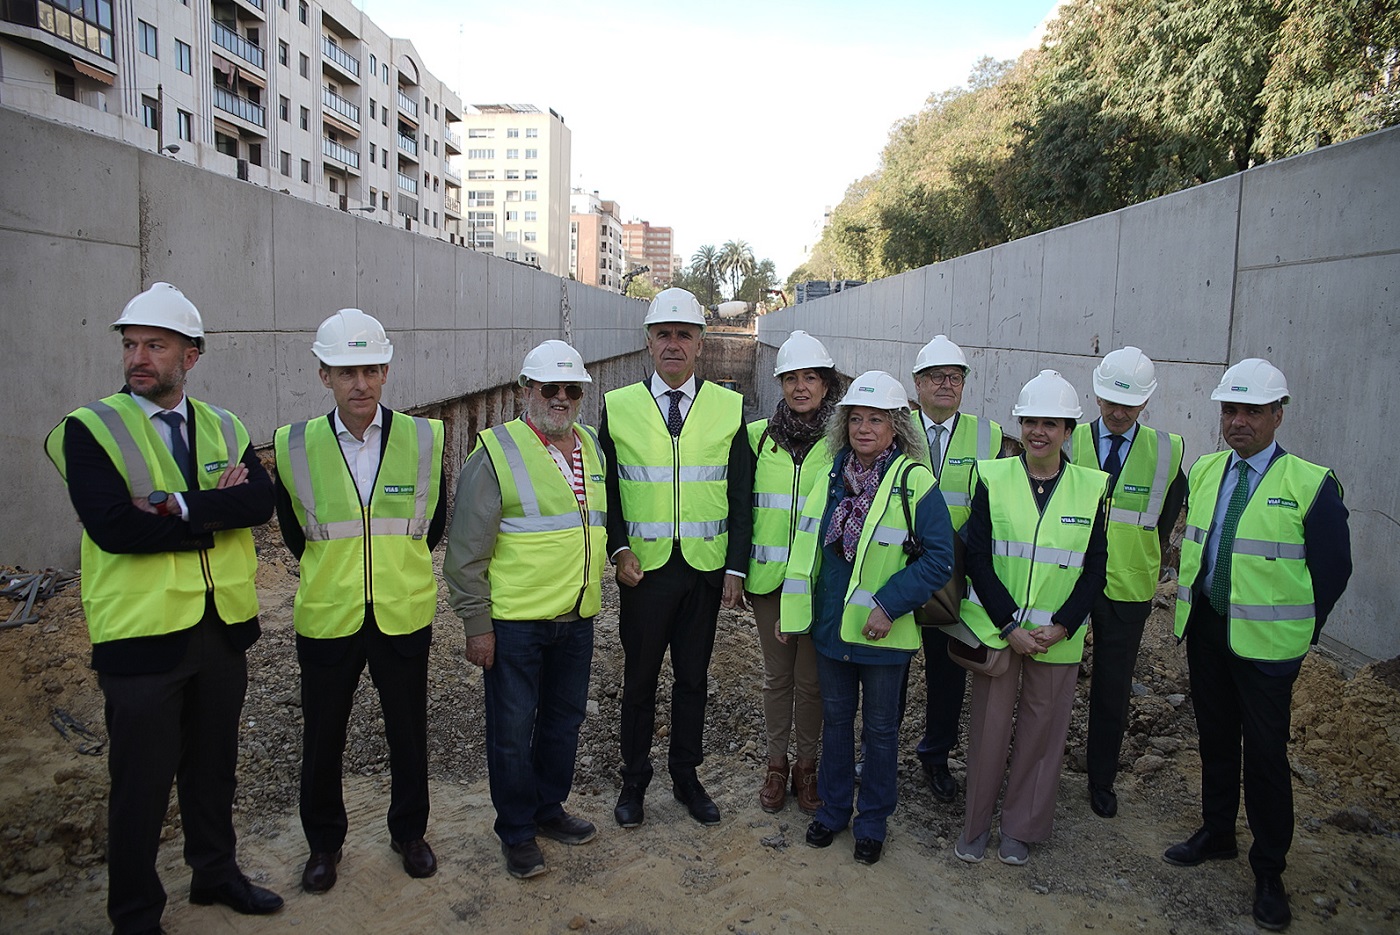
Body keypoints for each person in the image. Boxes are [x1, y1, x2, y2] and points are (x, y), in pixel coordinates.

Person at [44, 283, 283, 934]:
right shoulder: (92, 430)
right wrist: (212, 508)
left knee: (213, 771)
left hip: (220, 630)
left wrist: (176, 505)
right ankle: (135, 914)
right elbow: (113, 527)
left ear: (191, 356)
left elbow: (258, 507)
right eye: (130, 345)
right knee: (141, 786)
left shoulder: (226, 425)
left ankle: (215, 873)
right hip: (140, 638)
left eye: (155, 344)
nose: (138, 358)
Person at [1164, 358, 1351, 932]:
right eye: (1230, 410)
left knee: (1266, 754)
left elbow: (1333, 570)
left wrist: (1300, 634)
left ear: (1278, 414)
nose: (1238, 421)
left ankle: (1269, 869)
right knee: (1216, 738)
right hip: (1209, 628)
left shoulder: (1311, 483)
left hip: (1270, 648)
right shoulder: (1206, 470)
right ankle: (1218, 832)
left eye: (1251, 411)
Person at [273, 309, 446, 893]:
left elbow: (433, 523)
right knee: (323, 738)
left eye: (371, 369)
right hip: (329, 615)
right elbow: (296, 532)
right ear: (324, 376)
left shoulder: (425, 439)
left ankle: (410, 832)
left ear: (387, 370)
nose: (360, 384)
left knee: (407, 731)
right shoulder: (295, 445)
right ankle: (324, 845)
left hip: (401, 611)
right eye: (346, 372)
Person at [444, 340, 605, 879]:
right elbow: (466, 552)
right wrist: (477, 626)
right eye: (549, 389)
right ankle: (516, 831)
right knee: (513, 729)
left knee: (564, 723)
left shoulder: (590, 448)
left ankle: (547, 809)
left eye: (571, 390)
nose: (561, 398)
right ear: (525, 391)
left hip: (575, 617)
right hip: (515, 624)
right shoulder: (494, 453)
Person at [781, 370, 954, 866]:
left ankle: (872, 821)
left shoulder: (913, 480)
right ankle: (834, 811)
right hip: (834, 629)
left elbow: (939, 558)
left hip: (884, 633)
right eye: (856, 418)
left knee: (880, 731)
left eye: (875, 420)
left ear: (896, 427)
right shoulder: (833, 474)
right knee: (836, 723)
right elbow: (809, 549)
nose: (863, 428)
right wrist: (795, 615)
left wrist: (888, 605)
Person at [600, 287, 753, 829]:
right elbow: (608, 492)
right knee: (639, 681)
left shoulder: (728, 407)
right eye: (663, 334)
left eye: (683, 335)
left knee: (693, 679)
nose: (672, 344)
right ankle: (634, 781)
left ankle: (687, 776)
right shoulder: (617, 407)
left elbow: (741, 493)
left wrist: (736, 567)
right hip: (643, 572)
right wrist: (617, 548)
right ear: (648, 342)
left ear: (700, 345)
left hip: (705, 572)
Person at [955, 370, 1109, 867]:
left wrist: (1064, 624)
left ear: (1068, 431)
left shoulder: (1091, 489)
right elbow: (977, 557)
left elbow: (1094, 569)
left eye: (1051, 423)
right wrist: (1007, 625)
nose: (1039, 432)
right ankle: (976, 825)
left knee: (1043, 736)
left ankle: (1021, 827)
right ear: (1019, 426)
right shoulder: (993, 477)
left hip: (1055, 638)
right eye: (1030, 422)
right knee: (988, 732)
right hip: (1002, 634)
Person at [1071, 347, 1185, 819]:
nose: (1117, 414)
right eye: (1109, 402)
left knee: (1113, 687)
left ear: (1146, 402)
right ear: (1095, 394)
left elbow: (1164, 518)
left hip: (1127, 584)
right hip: (1069, 579)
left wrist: (1142, 559)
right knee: (1052, 679)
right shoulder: (1068, 438)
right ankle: (1040, 769)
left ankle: (1102, 779)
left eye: (1129, 405)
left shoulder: (1167, 450)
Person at [908, 334, 1006, 804]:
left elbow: (990, 506)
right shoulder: (896, 426)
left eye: (955, 377)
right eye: (936, 377)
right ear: (918, 383)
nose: (946, 385)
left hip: (954, 576)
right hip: (899, 571)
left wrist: (954, 553)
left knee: (947, 675)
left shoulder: (988, 436)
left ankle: (936, 756)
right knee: (889, 667)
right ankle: (878, 750)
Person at [746, 331, 840, 815]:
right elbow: (741, 508)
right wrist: (734, 572)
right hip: (769, 583)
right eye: (791, 378)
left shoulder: (843, 443)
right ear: (779, 383)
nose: (800, 387)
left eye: (811, 378)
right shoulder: (758, 438)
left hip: (818, 586)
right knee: (776, 678)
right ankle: (775, 765)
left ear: (826, 385)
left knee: (811, 682)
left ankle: (807, 766)